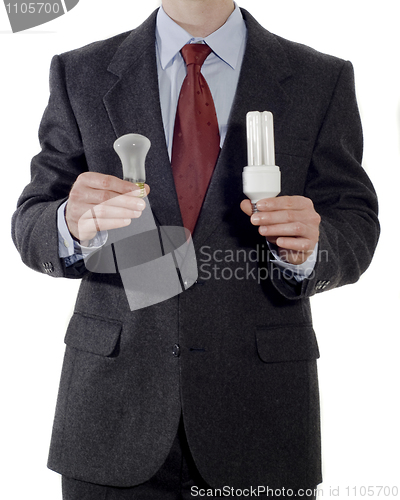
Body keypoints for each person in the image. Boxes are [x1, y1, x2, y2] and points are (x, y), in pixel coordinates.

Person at [11, 0, 380, 498]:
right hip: (111, 417)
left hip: (261, 415)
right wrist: (71, 225)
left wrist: (312, 248)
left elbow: (353, 219)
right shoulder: (80, 72)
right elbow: (33, 218)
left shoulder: (321, 77)